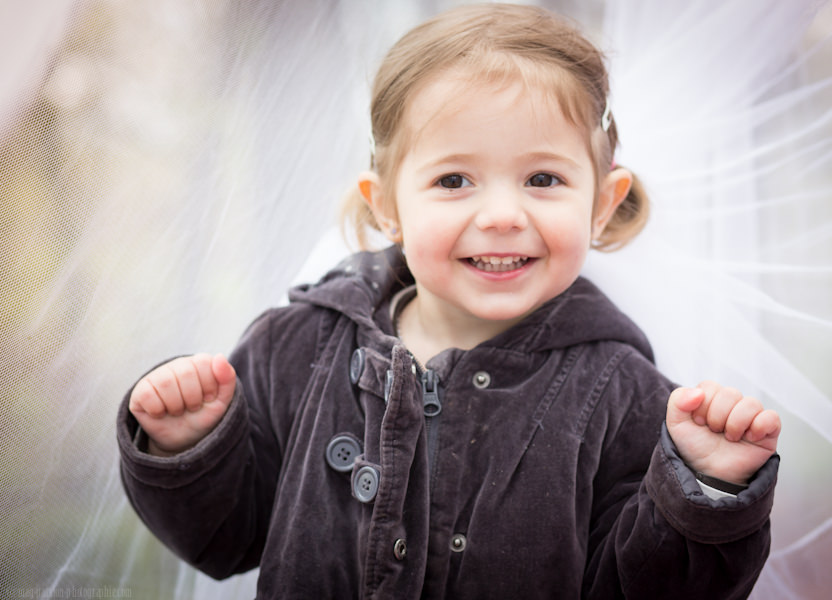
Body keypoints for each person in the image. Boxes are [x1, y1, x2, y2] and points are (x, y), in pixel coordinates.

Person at [117, 4, 781, 598]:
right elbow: (229, 539)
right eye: (454, 179)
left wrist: (706, 494)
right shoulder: (293, 349)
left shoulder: (624, 395)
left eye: (543, 178)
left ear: (602, 204)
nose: (500, 214)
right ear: (388, 206)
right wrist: (189, 451)